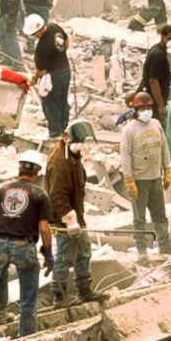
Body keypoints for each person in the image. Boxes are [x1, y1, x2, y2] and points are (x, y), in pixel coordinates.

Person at [0, 150, 53, 337]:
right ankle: (25, 334)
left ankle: (0, 316)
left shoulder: (4, 189)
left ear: (19, 167)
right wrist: (48, 252)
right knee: (28, 293)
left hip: (0, 243)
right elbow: (44, 228)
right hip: (23, 245)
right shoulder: (40, 194)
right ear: (37, 171)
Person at [44, 120, 109, 306]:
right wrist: (69, 220)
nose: (82, 144)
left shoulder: (72, 154)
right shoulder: (60, 160)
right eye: (79, 140)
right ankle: (59, 295)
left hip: (76, 214)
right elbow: (57, 195)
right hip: (64, 218)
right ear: (67, 138)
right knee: (64, 256)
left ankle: (84, 290)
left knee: (83, 252)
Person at [120, 92, 171, 257]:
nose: (146, 111)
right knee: (139, 217)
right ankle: (142, 250)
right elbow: (125, 155)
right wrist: (129, 179)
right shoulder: (129, 130)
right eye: (142, 108)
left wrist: (167, 169)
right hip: (139, 180)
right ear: (136, 110)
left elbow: (164, 147)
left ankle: (164, 245)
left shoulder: (156, 124)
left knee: (160, 214)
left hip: (155, 178)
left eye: (148, 108)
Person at [26, 14, 71, 139]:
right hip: (66, 71)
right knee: (62, 100)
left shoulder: (42, 47)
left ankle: (55, 133)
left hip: (53, 77)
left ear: (39, 30)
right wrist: (59, 55)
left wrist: (34, 79)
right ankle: (63, 127)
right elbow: (66, 42)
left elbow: (41, 70)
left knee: (51, 104)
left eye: (34, 34)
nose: (34, 36)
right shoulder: (54, 27)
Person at [140, 25, 171, 122]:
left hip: (150, 98)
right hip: (153, 101)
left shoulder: (158, 50)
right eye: (169, 38)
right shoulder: (158, 55)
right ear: (162, 37)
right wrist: (160, 105)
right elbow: (153, 81)